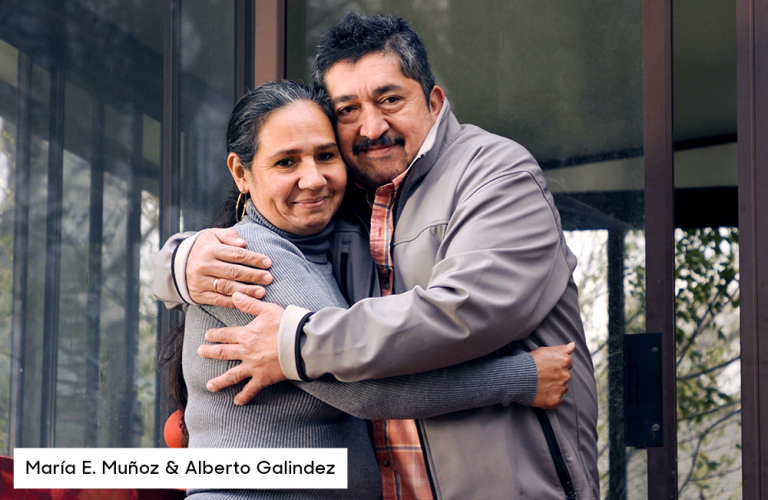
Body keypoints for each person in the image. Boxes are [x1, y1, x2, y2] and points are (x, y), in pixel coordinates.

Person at [155, 13, 599, 500]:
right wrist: (178, 262)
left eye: (389, 99)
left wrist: (293, 343)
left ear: (432, 100)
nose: (372, 126)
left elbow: (459, 312)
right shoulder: (283, 239)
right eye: (347, 109)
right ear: (241, 173)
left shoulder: (497, 175)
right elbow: (364, 391)